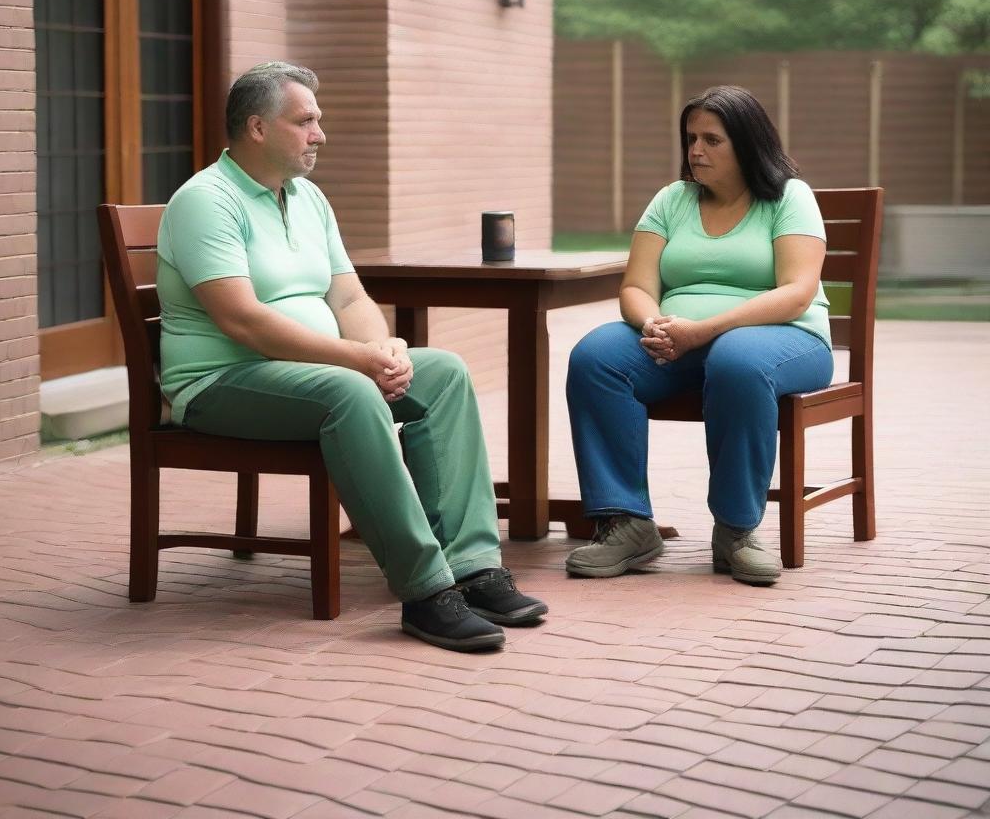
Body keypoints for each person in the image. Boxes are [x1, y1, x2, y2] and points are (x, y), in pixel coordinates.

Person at [156, 61, 547, 650]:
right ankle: (425, 592)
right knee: (351, 392)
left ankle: (472, 566)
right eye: (306, 120)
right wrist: (355, 362)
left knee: (442, 372)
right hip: (221, 382)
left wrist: (382, 347)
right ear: (258, 128)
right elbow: (244, 320)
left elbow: (348, 293)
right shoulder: (206, 202)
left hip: (309, 371)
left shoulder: (307, 198)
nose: (320, 133)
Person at [565, 85, 834, 585]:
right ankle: (625, 523)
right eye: (691, 138)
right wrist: (652, 324)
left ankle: (736, 530)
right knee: (597, 356)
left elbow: (797, 292)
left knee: (736, 358)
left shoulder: (790, 197)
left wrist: (702, 331)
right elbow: (636, 286)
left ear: (748, 143)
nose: (695, 151)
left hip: (786, 338)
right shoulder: (672, 199)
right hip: (681, 338)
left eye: (712, 140)